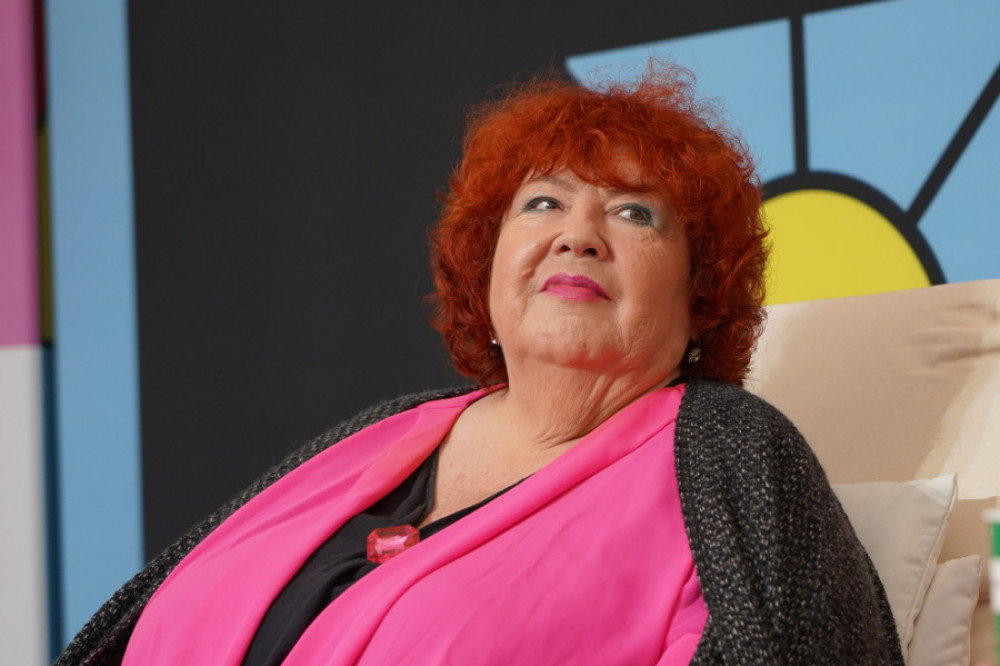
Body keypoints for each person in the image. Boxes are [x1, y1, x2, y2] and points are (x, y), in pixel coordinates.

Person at [56, 67, 903, 665]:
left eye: (634, 213)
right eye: (544, 202)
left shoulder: (731, 452)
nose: (577, 234)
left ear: (700, 295)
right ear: (485, 268)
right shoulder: (383, 432)